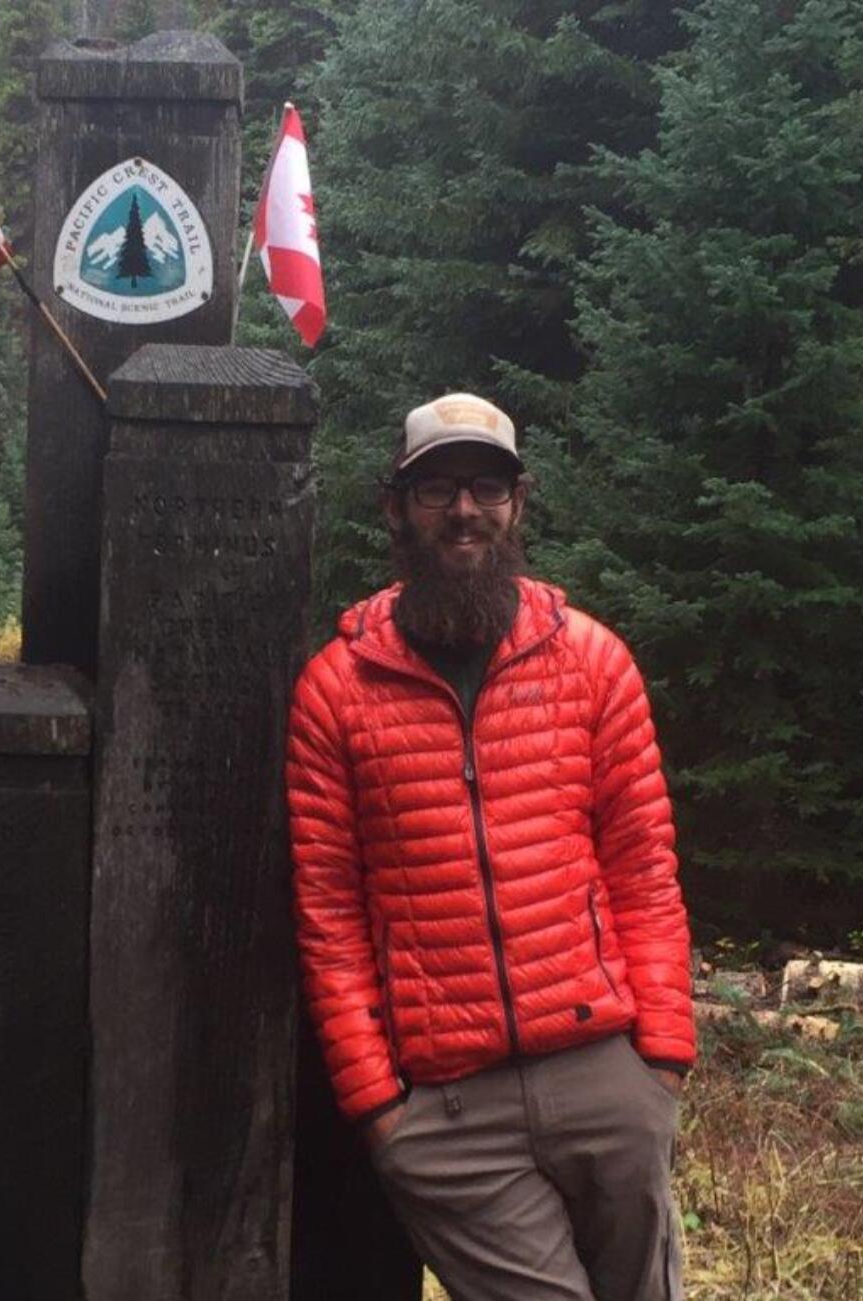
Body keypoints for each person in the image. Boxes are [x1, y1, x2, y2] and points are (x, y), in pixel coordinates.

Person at [286, 393, 695, 1301]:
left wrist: (659, 1062)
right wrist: (380, 1106)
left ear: (519, 502)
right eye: (436, 488)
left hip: (607, 1078)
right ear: (396, 506)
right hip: (448, 1108)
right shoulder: (337, 691)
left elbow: (643, 868)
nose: (464, 509)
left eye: (487, 486)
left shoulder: (593, 662)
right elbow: (328, 913)